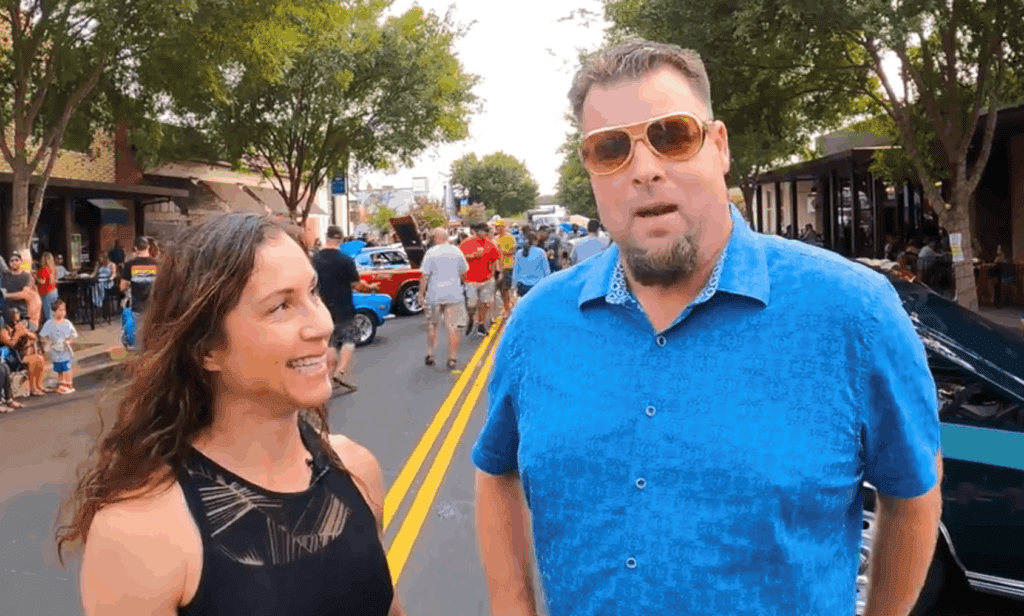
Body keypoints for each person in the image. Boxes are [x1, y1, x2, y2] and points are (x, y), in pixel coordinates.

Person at [472, 40, 942, 616]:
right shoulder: (538, 323)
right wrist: (511, 604)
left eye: (672, 136)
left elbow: (912, 496)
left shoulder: (855, 313)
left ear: (718, 146)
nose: (645, 169)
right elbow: (496, 472)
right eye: (611, 149)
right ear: (590, 169)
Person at [57, 213, 406, 616]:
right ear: (206, 349)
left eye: (314, 293)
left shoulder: (357, 471)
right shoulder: (142, 532)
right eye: (280, 306)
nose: (321, 324)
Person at [312, 225, 379, 391]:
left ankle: (329, 375)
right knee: (349, 339)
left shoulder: (314, 260)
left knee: (330, 343)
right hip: (343, 306)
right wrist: (370, 287)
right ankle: (340, 372)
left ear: (326, 237)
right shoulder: (345, 259)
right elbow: (356, 285)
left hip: (321, 306)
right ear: (340, 240)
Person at [418, 227, 469, 370]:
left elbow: (424, 276)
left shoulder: (430, 253)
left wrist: (421, 293)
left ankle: (430, 354)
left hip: (434, 294)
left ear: (436, 238)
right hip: (454, 294)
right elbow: (464, 272)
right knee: (452, 327)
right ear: (447, 237)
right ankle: (452, 358)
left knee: (432, 324)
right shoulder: (457, 251)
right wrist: (458, 282)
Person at [459, 223, 501, 337]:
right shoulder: (466, 243)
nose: (486, 233)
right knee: (471, 304)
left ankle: (481, 324)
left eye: (487, 231)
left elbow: (494, 259)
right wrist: (473, 256)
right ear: (477, 231)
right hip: (471, 279)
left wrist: (492, 275)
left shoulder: (490, 244)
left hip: (486, 279)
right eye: (484, 231)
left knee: (484, 302)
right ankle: (472, 320)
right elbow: (460, 259)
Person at [120, 236, 159, 349]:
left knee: (136, 334)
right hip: (153, 304)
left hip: (137, 304)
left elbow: (122, 286)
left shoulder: (130, 265)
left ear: (136, 248)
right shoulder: (156, 264)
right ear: (148, 247)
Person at [1, 307, 47, 396]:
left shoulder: (20, 327)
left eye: (18, 320)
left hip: (21, 356)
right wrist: (17, 335)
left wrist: (26, 332)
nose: (17, 323)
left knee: (40, 358)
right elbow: (11, 344)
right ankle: (32, 388)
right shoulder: (3, 332)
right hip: (10, 358)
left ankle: (39, 385)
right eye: (14, 321)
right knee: (33, 360)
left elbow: (34, 337)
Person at [39, 298, 77, 394]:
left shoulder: (67, 323)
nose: (62, 312)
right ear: (54, 311)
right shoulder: (49, 324)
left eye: (63, 310)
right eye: (59, 310)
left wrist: (69, 341)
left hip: (65, 350)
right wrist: (48, 342)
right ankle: (62, 384)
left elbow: (73, 335)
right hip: (55, 350)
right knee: (59, 368)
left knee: (66, 367)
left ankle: (69, 383)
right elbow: (42, 335)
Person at [2, 251, 42, 330]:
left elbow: (23, 294)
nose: (14, 262)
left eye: (16, 260)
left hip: (22, 315)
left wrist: (6, 295)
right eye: (12, 260)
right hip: (6, 314)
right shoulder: (5, 276)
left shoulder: (26, 276)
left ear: (21, 262)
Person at [512, 230, 550, 298]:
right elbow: (546, 271)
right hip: (538, 287)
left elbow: (516, 271)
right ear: (535, 240)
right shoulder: (541, 252)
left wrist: (514, 286)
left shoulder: (519, 253)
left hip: (522, 287)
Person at [493, 220, 518, 319]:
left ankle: (507, 309)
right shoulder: (496, 238)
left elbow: (511, 252)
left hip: (507, 266)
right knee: (496, 291)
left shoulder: (509, 238)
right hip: (497, 267)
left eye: (500, 226)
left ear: (504, 227)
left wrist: (500, 251)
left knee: (504, 290)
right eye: (497, 227)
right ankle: (501, 310)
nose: (498, 228)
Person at [37, 252, 59, 323]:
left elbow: (42, 282)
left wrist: (35, 277)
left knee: (47, 314)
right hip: (54, 291)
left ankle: (49, 331)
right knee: (53, 313)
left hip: (47, 293)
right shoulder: (53, 268)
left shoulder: (43, 269)